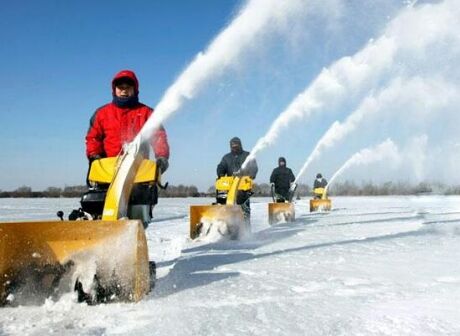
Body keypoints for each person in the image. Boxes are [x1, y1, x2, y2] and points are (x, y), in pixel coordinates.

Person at [85, 70, 170, 224]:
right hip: (107, 171)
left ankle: (135, 236)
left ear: (135, 89)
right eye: (120, 87)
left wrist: (162, 157)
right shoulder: (102, 113)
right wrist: (94, 155)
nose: (124, 90)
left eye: (128, 87)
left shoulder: (146, 113)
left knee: (137, 216)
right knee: (100, 212)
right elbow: (93, 138)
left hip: (138, 172)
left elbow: (159, 136)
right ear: (114, 90)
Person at [216, 137, 258, 219]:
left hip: (243, 185)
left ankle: (245, 227)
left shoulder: (247, 155)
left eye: (236, 144)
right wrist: (220, 173)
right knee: (223, 201)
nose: (235, 146)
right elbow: (221, 166)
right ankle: (223, 219)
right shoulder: (226, 157)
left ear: (240, 144)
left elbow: (254, 166)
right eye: (233, 145)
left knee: (244, 208)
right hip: (228, 185)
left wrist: (252, 174)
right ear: (230, 146)